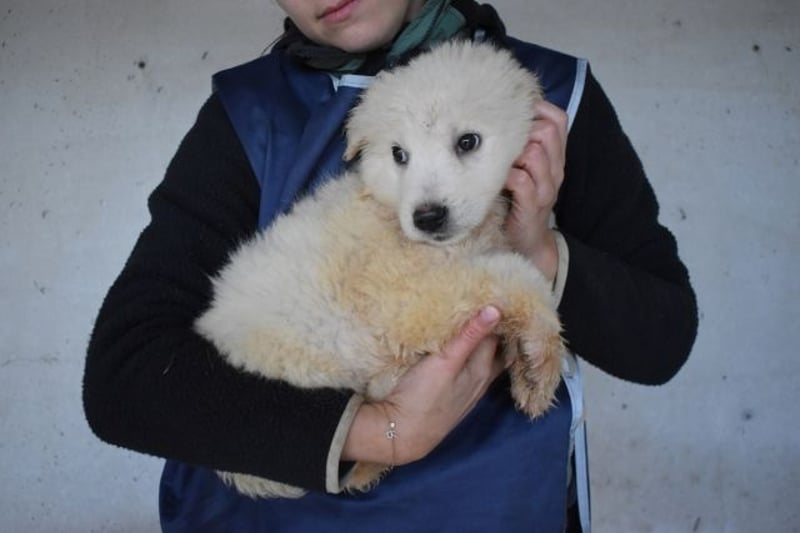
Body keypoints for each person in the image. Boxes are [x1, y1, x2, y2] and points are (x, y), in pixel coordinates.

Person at [83, 1, 698, 531]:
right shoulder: (252, 115)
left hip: (491, 512)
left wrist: (538, 251)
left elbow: (662, 339)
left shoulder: (547, 102)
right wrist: (384, 431)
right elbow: (124, 375)